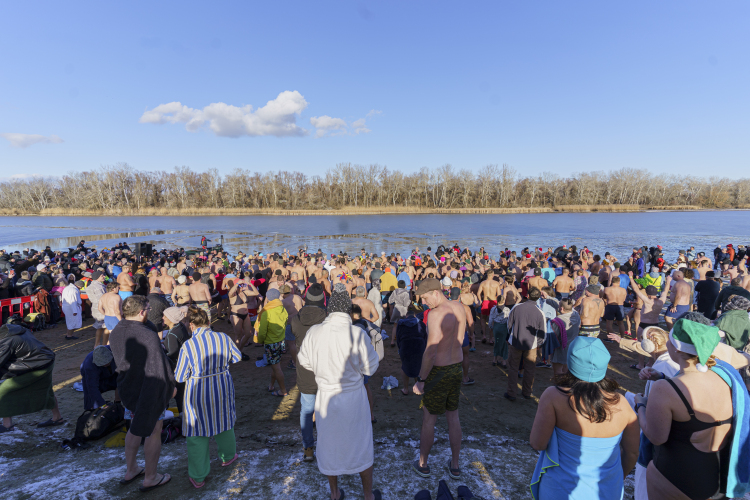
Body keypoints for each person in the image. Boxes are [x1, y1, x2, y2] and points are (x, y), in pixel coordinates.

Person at [636, 318, 744, 499]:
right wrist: (662, 376)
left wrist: (641, 405)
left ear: (677, 348)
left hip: (677, 477)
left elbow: (656, 437)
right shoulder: (725, 377)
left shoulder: (665, 389)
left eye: (669, 340)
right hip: (716, 478)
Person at [297, 284, 382, 500]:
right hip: (353, 398)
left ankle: (335, 493)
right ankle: (367, 495)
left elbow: (304, 361)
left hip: (326, 398)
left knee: (329, 443)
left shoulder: (314, 332)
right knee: (360, 443)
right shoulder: (357, 334)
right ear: (346, 310)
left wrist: (323, 369)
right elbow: (371, 367)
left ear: (329, 309)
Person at [529, 336, 639, 499]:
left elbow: (538, 443)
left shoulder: (553, 396)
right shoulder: (622, 403)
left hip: (560, 489)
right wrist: (617, 478)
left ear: (571, 362)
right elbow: (632, 453)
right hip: (607, 491)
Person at [109, 295, 176, 492]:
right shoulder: (147, 335)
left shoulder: (116, 331)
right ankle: (151, 477)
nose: (149, 312)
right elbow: (158, 366)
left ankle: (131, 470)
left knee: (133, 427)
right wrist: (169, 386)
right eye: (147, 309)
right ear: (141, 312)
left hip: (127, 388)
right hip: (148, 389)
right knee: (154, 430)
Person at [175, 306, 242, 489]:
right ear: (208, 321)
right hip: (222, 386)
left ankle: (198, 476)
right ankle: (228, 457)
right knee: (224, 422)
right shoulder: (223, 337)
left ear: (191, 325)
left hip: (197, 391)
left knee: (197, 432)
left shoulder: (188, 345)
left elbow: (179, 377)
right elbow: (236, 358)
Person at [411, 278, 466, 480]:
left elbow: (431, 351)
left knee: (429, 420)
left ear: (435, 292)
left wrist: (421, 379)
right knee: (453, 416)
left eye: (425, 298)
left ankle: (423, 463)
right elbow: (460, 339)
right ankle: (455, 465)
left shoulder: (435, 314)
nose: (424, 303)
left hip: (439, 372)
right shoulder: (459, 307)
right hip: (456, 368)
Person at [0, 323, 65, 432]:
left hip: (37, 365)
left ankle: (7, 425)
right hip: (47, 360)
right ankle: (57, 417)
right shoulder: (17, 330)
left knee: (3, 390)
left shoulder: (6, 342)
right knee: (47, 390)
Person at [290, 283, 327, 462]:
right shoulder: (328, 318)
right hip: (326, 370)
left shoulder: (296, 319)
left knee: (306, 410)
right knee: (327, 411)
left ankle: (308, 449)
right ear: (322, 300)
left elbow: (291, 343)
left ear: (306, 299)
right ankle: (327, 446)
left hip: (305, 370)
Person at [505, 287, 547, 401]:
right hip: (531, 345)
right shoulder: (540, 313)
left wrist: (510, 338)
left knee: (513, 368)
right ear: (538, 298)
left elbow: (508, 324)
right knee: (530, 369)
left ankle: (512, 393)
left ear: (527, 295)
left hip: (516, 342)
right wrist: (537, 344)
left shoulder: (517, 307)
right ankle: (527, 392)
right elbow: (543, 333)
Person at [256, 288, 289, 396]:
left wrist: (260, 340)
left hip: (271, 343)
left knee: (277, 367)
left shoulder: (267, 311)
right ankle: (271, 385)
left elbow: (262, 331)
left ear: (268, 298)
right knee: (275, 364)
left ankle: (283, 391)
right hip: (280, 341)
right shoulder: (282, 308)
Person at [163, 306, 191, 412]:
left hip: (175, 367)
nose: (163, 318)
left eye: (165, 316)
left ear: (171, 318)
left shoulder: (172, 334)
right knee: (183, 393)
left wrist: (162, 352)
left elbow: (172, 353)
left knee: (177, 394)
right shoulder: (181, 326)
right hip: (185, 363)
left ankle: (181, 416)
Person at [396, 304, 427, 395]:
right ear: (414, 315)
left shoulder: (400, 323)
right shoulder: (420, 323)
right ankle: (417, 387)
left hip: (405, 346)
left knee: (404, 366)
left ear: (406, 316)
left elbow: (398, 337)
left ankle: (405, 389)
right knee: (419, 366)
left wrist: (400, 348)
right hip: (419, 346)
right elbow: (425, 336)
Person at [80, 345, 119, 410]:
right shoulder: (89, 366)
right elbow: (92, 387)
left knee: (121, 382)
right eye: (104, 363)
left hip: (113, 372)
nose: (106, 364)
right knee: (90, 396)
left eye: (107, 362)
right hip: (93, 376)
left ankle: (118, 403)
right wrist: (102, 405)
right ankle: (92, 409)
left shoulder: (114, 350)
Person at [86, 271, 108, 347]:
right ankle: (104, 345)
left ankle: (97, 344)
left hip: (96, 308)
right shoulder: (98, 287)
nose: (104, 277)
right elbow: (101, 299)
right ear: (97, 277)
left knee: (99, 327)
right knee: (106, 327)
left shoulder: (92, 286)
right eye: (102, 275)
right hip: (102, 308)